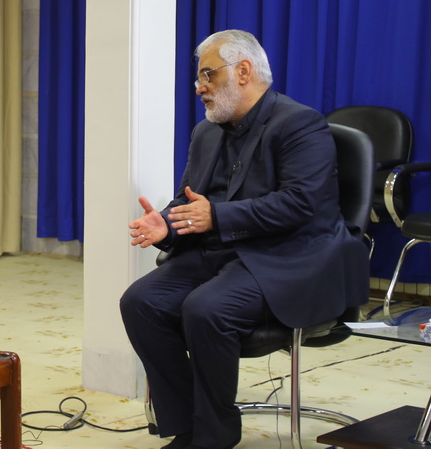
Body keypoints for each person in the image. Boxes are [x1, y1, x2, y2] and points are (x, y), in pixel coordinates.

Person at [119, 30, 369, 449]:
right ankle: (187, 425)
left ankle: (215, 435)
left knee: (206, 308)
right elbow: (190, 199)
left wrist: (214, 216)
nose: (199, 88)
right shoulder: (207, 131)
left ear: (244, 71)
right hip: (221, 251)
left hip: (289, 256)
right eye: (199, 79)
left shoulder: (300, 124)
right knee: (140, 302)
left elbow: (299, 205)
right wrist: (168, 223)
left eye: (207, 76)